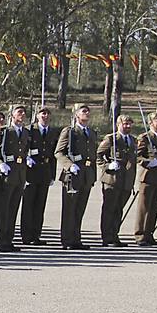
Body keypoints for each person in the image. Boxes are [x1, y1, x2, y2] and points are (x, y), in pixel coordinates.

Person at [56, 104, 97, 250]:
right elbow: (59, 152)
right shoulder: (70, 131)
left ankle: (76, 238)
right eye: (83, 111)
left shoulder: (91, 133)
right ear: (76, 115)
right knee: (69, 209)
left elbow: (92, 156)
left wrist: (93, 176)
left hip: (86, 175)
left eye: (88, 111)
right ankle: (67, 240)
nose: (87, 113)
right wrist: (69, 165)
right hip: (72, 175)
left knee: (80, 209)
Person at [0, 105, 29, 252]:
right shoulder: (4, 131)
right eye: (19, 112)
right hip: (7, 176)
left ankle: (9, 239)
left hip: (19, 176)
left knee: (13, 209)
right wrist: (0, 164)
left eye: (24, 113)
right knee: (3, 210)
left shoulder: (25, 132)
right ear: (12, 115)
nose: (22, 115)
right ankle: (1, 241)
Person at [97, 115, 137, 247]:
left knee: (119, 209)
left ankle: (114, 235)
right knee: (109, 208)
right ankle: (106, 237)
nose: (128, 126)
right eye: (125, 124)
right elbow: (98, 155)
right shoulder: (111, 139)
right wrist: (107, 165)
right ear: (118, 124)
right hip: (112, 179)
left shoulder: (133, 140)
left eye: (130, 124)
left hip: (126, 181)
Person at [21, 107, 58, 245]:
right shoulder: (30, 130)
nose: (45, 116)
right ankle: (26, 236)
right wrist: (26, 158)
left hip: (45, 172)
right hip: (31, 171)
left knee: (40, 205)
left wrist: (52, 174)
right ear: (37, 116)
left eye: (48, 114)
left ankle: (36, 235)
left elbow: (53, 154)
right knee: (28, 205)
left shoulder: (52, 132)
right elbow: (22, 148)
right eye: (43, 113)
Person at [133, 112, 157, 246]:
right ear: (150, 123)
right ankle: (140, 235)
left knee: (154, 207)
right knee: (144, 207)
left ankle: (149, 234)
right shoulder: (145, 138)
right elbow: (137, 156)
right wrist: (148, 162)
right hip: (148, 176)